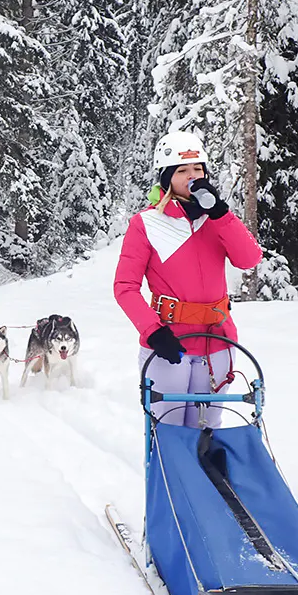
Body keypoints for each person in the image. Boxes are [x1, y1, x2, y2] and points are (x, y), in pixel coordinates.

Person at [113, 130, 263, 428]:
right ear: (167, 177)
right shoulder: (146, 223)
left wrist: (221, 214)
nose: (192, 176)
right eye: (182, 171)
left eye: (197, 169)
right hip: (170, 342)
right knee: (168, 429)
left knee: (207, 430)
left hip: (216, 341)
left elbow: (249, 259)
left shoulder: (216, 219)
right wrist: (153, 332)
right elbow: (125, 287)